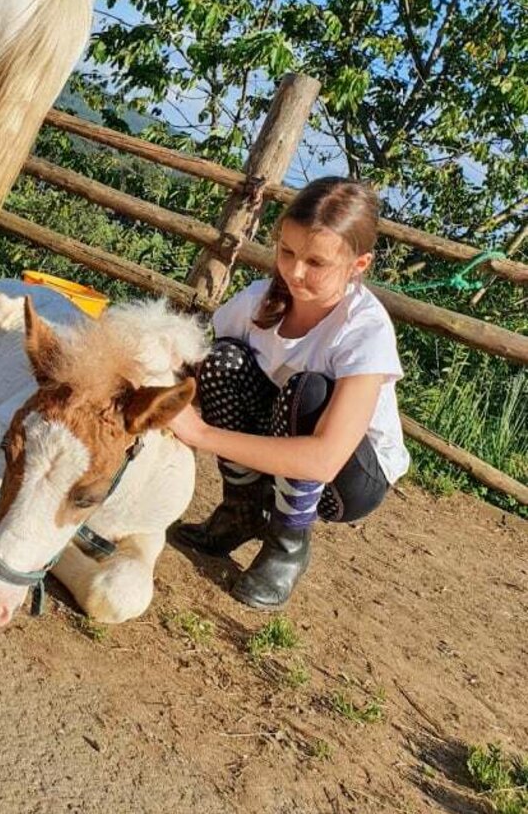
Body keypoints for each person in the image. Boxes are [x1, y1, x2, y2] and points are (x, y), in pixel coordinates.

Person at [169, 177, 409, 610]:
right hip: (279, 437)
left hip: (348, 480)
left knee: (308, 390)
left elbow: (324, 458)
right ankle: (240, 510)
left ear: (359, 265)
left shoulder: (365, 330)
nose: (295, 272)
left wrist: (200, 434)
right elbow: (194, 368)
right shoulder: (258, 301)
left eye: (316, 262)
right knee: (222, 361)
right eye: (287, 252)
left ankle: (287, 544)